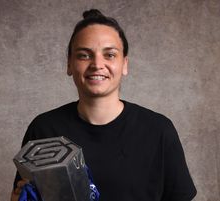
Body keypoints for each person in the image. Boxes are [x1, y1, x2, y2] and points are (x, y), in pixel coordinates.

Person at [11, 9, 197, 201]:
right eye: (84, 55)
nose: (97, 64)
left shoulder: (159, 130)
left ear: (124, 64)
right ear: (69, 64)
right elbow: (20, 195)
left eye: (109, 55)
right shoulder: (44, 129)